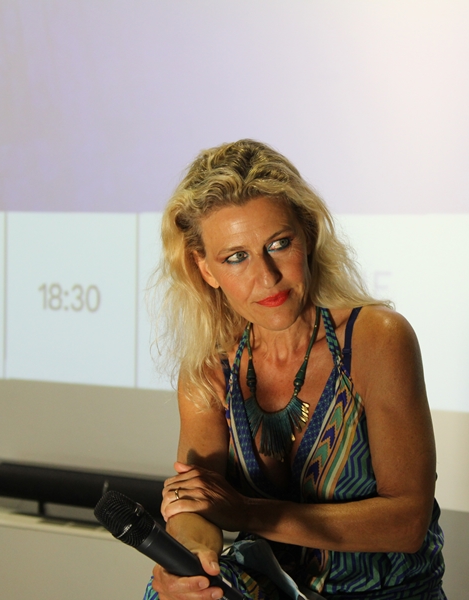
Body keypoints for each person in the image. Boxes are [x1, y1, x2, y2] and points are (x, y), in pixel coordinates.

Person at [145, 140, 445, 600]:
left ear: (307, 235)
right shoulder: (210, 369)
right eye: (236, 257)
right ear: (205, 269)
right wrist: (186, 560)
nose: (267, 276)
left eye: (279, 244)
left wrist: (247, 512)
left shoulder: (377, 338)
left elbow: (407, 524)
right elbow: (195, 505)